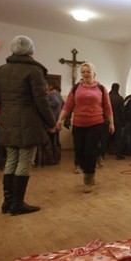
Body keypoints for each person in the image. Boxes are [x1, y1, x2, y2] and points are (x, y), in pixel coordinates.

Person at [0, 35, 56, 215]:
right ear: (31, 51)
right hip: (28, 122)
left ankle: (7, 202)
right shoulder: (34, 71)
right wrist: (51, 123)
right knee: (25, 161)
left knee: (11, 159)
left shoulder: (0, 70)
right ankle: (17, 204)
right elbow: (41, 101)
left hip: (8, 120)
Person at [56, 62, 114, 192]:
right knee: (79, 151)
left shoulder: (101, 88)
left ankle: (88, 178)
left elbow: (107, 107)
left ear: (94, 73)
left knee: (89, 151)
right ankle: (90, 164)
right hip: (78, 123)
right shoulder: (76, 88)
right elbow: (68, 105)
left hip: (96, 123)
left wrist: (111, 123)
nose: (86, 74)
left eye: (88, 71)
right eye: (83, 72)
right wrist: (60, 119)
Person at [45, 80, 64, 165]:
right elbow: (63, 104)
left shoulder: (52, 93)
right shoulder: (58, 94)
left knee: (51, 141)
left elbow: (55, 102)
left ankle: (51, 159)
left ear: (51, 86)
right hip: (57, 120)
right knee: (56, 141)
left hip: (52, 120)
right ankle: (57, 158)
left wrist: (45, 103)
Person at [108, 83, 126, 160]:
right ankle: (119, 154)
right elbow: (122, 112)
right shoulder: (119, 98)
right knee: (118, 138)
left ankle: (102, 154)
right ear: (118, 88)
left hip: (107, 120)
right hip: (117, 120)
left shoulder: (106, 97)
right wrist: (123, 122)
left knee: (105, 137)